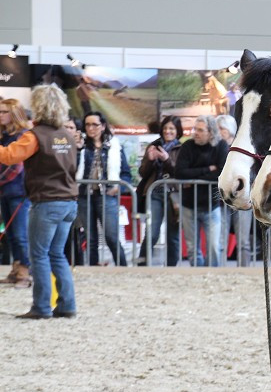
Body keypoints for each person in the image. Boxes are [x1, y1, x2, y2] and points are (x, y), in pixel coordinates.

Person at [0, 84, 79, 319]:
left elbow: (8, 156)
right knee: (56, 254)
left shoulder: (35, 137)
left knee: (39, 255)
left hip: (46, 202)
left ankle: (42, 307)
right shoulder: (67, 135)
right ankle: (67, 305)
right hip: (69, 201)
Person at [75, 111, 132, 266]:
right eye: (87, 124)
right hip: (84, 195)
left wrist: (117, 188)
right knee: (90, 237)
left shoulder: (114, 145)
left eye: (95, 124)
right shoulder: (81, 145)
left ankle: (123, 268)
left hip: (107, 195)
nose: (91, 128)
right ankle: (93, 270)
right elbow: (71, 169)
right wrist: (78, 150)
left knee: (112, 236)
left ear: (103, 126)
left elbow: (127, 174)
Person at [174, 115, 228, 266]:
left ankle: (211, 276)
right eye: (194, 129)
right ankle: (197, 277)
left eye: (200, 130)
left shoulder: (221, 146)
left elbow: (221, 174)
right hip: (188, 205)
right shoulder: (188, 146)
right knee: (192, 248)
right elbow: (179, 173)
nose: (195, 133)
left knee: (213, 247)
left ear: (210, 132)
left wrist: (194, 176)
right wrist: (208, 169)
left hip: (211, 205)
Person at [136, 115, 183, 265]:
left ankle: (171, 267)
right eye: (165, 128)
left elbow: (181, 172)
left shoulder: (182, 148)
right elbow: (142, 173)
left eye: (171, 128)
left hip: (174, 195)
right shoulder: (153, 146)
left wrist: (166, 160)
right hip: (154, 193)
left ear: (177, 131)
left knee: (172, 235)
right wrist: (150, 160)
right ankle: (142, 264)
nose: (168, 131)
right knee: (151, 233)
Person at [0, 99, 33, 288]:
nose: (1, 115)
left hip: (19, 191)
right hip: (5, 191)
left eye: (4, 111)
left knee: (20, 235)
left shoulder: (23, 136)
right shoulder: (4, 136)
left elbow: (15, 167)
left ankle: (25, 273)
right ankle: (16, 269)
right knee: (11, 234)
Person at [214, 114, 249, 264]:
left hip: (242, 198)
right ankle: (221, 271)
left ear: (229, 129)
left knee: (243, 241)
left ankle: (245, 271)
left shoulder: (241, 147)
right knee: (221, 240)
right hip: (223, 199)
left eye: (221, 128)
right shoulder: (216, 147)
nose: (218, 131)